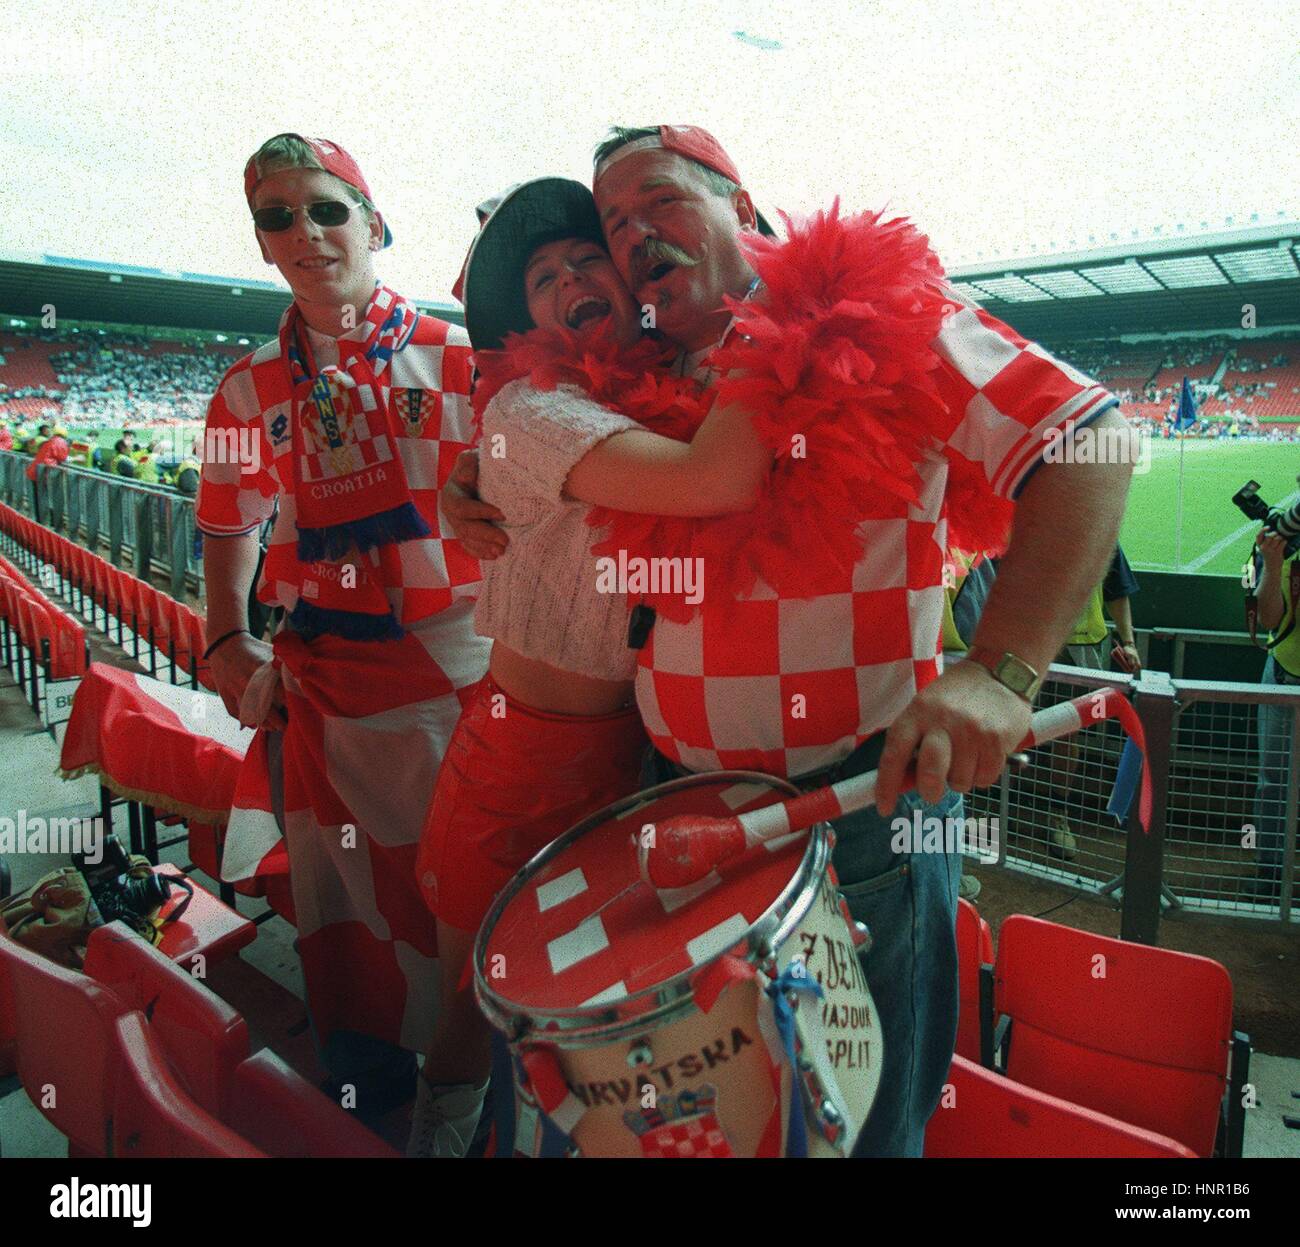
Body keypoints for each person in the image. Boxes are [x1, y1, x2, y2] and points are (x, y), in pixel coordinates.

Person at [447, 124, 1134, 1158]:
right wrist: (472, 477)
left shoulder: (881, 312)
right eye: (613, 222)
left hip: (855, 813)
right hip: (670, 804)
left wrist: (997, 670)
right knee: (720, 1125)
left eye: (660, 200)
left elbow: (1090, 436)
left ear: (743, 204)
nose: (632, 234)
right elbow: (533, 440)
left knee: (862, 1126)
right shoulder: (639, 372)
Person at [411, 178, 772, 1156]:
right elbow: (716, 479)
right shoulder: (532, 406)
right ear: (524, 319)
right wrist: (787, 316)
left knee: (587, 1039)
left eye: (585, 260)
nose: (569, 277)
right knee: (470, 1020)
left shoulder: (665, 401)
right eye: (540, 276)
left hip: (634, 766)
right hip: (516, 768)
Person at [196, 133, 489, 1121]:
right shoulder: (245, 386)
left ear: (373, 221)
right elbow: (227, 520)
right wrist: (223, 638)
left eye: (326, 207)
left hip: (460, 681)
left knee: (463, 904)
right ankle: (369, 1106)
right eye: (276, 216)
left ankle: (466, 1108)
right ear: (262, 243)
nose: (306, 231)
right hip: (321, 687)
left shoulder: (462, 356)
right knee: (349, 915)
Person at [1037, 545, 1142, 860]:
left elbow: (1116, 588)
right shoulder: (1028, 518)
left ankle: (1058, 815)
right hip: (1034, 645)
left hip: (1082, 647)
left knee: (1068, 734)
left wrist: (1129, 642)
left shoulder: (1100, 522)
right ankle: (993, 814)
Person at [1250, 528, 1299, 901]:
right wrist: (1273, 562)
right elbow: (1269, 619)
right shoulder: (1287, 546)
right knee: (1273, 781)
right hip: (1285, 675)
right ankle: (1270, 872)